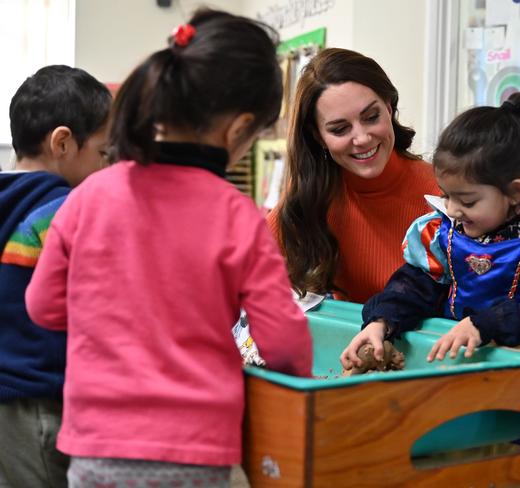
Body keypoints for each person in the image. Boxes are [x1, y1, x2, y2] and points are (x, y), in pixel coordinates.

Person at [25, 9, 312, 488]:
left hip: (94, 450)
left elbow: (42, 306)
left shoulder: (88, 196)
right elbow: (282, 343)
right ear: (239, 129)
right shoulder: (235, 213)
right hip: (195, 450)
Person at [340, 93, 520, 369]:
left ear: (516, 192)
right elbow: (415, 286)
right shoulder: (445, 233)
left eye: (467, 201)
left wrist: (486, 323)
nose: (453, 210)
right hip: (458, 363)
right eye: (446, 196)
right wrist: (381, 321)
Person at [0, 65, 111, 488]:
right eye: (102, 153)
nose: (105, 168)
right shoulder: (65, 211)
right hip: (42, 400)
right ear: (63, 142)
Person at [267, 48, 439, 304]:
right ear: (318, 137)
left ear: (389, 108)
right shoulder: (311, 197)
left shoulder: (442, 193)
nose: (362, 138)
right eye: (340, 129)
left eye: (371, 117)